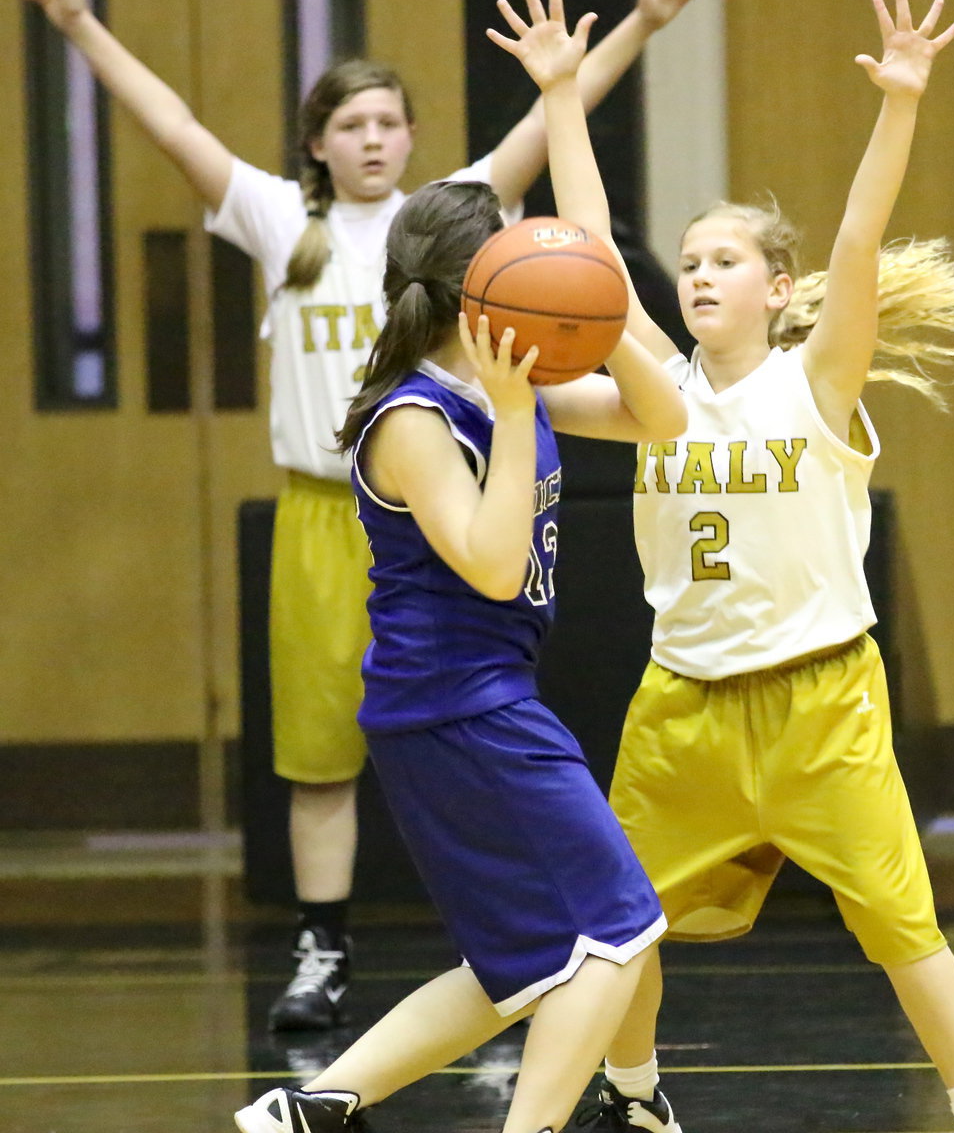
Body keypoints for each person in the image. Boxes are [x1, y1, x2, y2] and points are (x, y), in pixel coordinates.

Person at [23, 0, 719, 1033]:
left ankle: (500, 962)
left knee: (463, 755)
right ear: (317, 143)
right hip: (324, 506)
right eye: (350, 125)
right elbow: (173, 128)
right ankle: (323, 944)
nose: (373, 139)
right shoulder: (282, 224)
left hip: (462, 492)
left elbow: (559, 143)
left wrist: (645, 23)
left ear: (411, 137)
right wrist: (75, 23)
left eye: (388, 121)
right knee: (318, 748)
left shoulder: (463, 217)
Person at [490, 0, 954, 1133]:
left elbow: (857, 235)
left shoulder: (814, 379)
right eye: (686, 260)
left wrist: (899, 104)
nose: (695, 275)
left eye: (722, 260)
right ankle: (636, 1097)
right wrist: (562, 97)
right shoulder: (649, 391)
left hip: (820, 700)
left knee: (899, 920)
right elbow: (583, 252)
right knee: (616, 923)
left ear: (776, 293)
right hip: (681, 704)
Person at [233, 174, 688, 1133]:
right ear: (477, 288)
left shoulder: (509, 384)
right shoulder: (414, 419)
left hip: (473, 701)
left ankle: (314, 1108)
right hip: (453, 706)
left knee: (520, 966)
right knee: (618, 925)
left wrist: (602, 301)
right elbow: (489, 565)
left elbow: (663, 420)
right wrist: (521, 411)